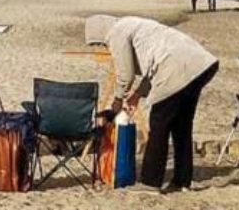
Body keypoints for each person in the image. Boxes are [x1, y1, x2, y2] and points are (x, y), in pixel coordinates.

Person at [85, 15, 219, 193]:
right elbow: (153, 66)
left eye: (99, 44)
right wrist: (137, 95)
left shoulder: (115, 33)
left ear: (100, 34)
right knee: (181, 125)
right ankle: (182, 180)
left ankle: (150, 182)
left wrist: (117, 101)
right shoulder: (133, 24)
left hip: (175, 67)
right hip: (201, 64)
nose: (103, 47)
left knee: (159, 123)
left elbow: (126, 74)